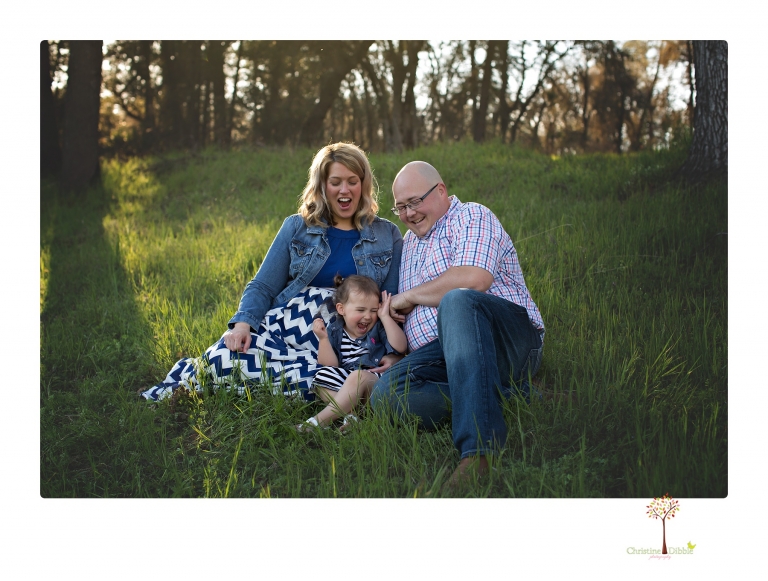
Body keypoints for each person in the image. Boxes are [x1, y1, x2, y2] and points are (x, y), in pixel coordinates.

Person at [140, 143, 403, 401]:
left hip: (345, 341)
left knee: (331, 379)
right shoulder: (297, 227)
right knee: (222, 360)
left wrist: (392, 353)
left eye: (352, 181)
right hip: (285, 329)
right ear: (322, 186)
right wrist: (243, 325)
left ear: (363, 184)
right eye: (335, 182)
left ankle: (328, 385)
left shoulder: (385, 234)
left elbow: (388, 302)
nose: (344, 190)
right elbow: (263, 285)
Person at [369, 161, 545, 486]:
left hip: (503, 340)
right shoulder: (406, 247)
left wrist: (409, 297)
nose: (408, 214)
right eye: (401, 208)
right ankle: (519, 395)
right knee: (386, 396)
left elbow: (473, 279)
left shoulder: (471, 216)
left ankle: (479, 453)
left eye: (414, 202)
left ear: (440, 191)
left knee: (457, 299)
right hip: (445, 356)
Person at [297, 274, 407, 431]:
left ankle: (317, 422)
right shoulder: (335, 330)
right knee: (322, 376)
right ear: (342, 309)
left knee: (358, 376)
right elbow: (330, 365)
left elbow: (401, 347)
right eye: (361, 310)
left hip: (374, 383)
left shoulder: (379, 328)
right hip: (348, 385)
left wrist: (385, 317)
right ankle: (351, 415)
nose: (368, 316)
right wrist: (323, 339)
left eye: (374, 310)